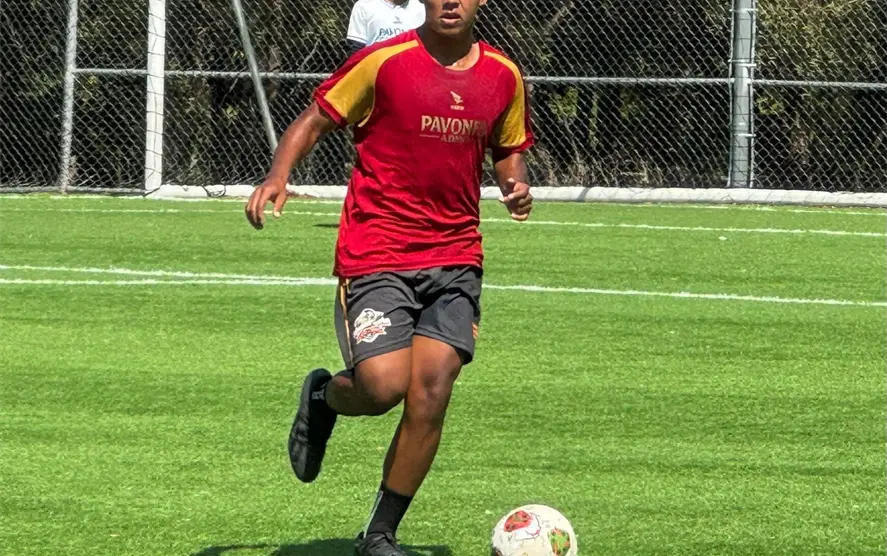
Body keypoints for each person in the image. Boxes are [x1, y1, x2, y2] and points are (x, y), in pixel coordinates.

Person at [244, 0, 534, 554]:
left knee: (432, 390)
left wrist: (514, 184)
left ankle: (379, 535)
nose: (451, 2)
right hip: (378, 248)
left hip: (455, 255)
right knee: (381, 387)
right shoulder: (383, 61)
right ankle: (324, 397)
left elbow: (509, 149)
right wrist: (278, 175)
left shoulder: (503, 75)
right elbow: (315, 118)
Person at [346, 0, 426, 55]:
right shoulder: (364, 6)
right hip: (376, 69)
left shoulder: (423, 9)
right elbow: (356, 49)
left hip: (412, 68)